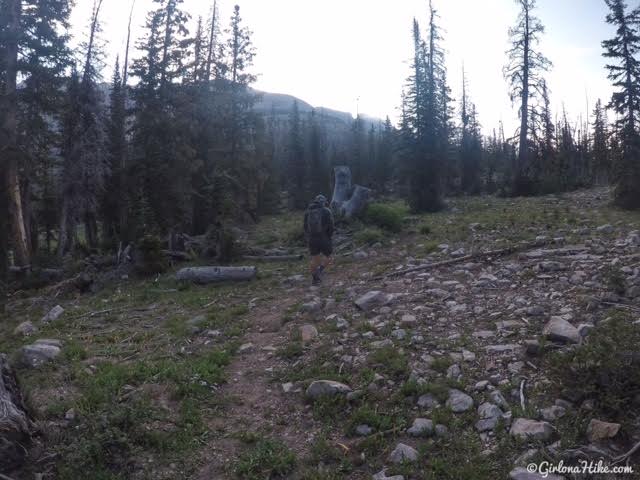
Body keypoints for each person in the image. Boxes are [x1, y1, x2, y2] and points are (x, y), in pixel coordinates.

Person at [303, 194, 335, 285]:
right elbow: (331, 226)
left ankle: (314, 278)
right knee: (329, 256)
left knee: (314, 259)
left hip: (312, 239)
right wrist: (329, 236)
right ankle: (320, 270)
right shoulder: (327, 211)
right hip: (324, 237)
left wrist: (308, 237)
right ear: (324, 202)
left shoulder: (307, 212)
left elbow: (305, 227)